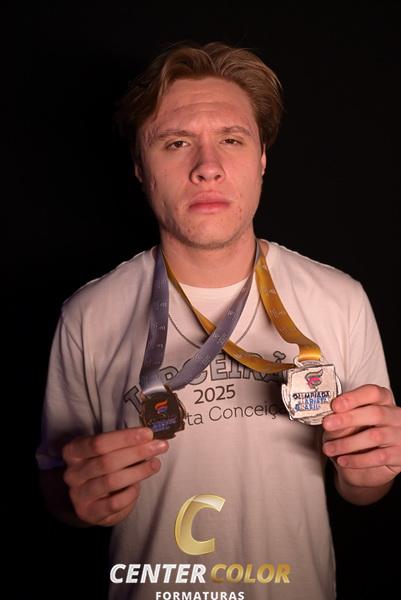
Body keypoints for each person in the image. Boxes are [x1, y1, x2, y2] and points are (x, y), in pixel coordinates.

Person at [37, 42, 400, 600]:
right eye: (176, 143)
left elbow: (363, 488)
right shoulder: (88, 315)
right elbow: (57, 487)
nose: (207, 167)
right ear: (139, 167)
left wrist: (370, 473)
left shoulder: (340, 299)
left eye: (231, 139)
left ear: (261, 158)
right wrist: (74, 499)